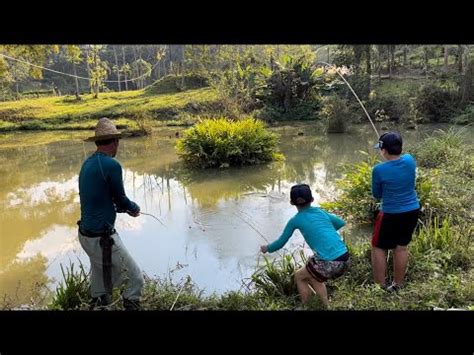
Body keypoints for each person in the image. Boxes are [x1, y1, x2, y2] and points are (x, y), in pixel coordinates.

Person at [78, 117, 144, 310]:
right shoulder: (112, 165)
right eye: (117, 142)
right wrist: (133, 208)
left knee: (100, 285)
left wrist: (118, 206)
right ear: (115, 142)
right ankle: (130, 304)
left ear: (98, 142)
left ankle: (100, 304)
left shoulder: (87, 163)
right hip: (103, 239)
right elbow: (120, 198)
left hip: (85, 235)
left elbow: (98, 198)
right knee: (135, 279)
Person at [260, 184, 350, 308]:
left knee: (299, 276)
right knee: (314, 277)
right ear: (312, 199)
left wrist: (267, 248)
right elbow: (341, 222)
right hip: (344, 255)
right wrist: (324, 230)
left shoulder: (295, 220)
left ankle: (306, 306)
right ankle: (326, 306)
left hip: (328, 260)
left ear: (292, 202)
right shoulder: (320, 212)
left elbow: (281, 242)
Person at [372, 131, 420, 292]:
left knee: (378, 247)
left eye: (381, 148)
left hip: (390, 213)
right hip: (412, 210)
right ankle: (397, 284)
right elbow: (401, 158)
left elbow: (377, 195)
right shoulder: (409, 160)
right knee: (401, 247)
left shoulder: (378, 170)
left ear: (384, 150)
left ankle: (380, 286)